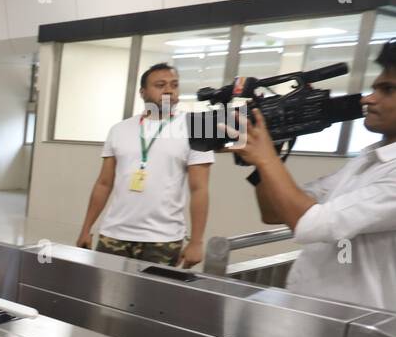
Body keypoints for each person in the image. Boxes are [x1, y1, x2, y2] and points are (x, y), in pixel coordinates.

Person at [238, 39, 396, 311]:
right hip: (315, 316)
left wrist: (265, 156)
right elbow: (275, 212)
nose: (370, 99)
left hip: (362, 331)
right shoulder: (369, 161)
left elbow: (311, 223)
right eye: (374, 88)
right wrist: (271, 152)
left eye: (388, 90)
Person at [76, 62, 212, 267]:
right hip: (114, 234)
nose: (168, 90)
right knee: (104, 295)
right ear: (143, 92)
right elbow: (104, 183)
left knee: (154, 298)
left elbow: (200, 189)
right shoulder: (119, 130)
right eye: (160, 85)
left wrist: (196, 241)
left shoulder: (199, 127)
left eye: (174, 85)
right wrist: (86, 228)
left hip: (163, 239)